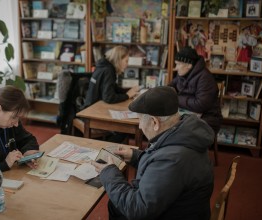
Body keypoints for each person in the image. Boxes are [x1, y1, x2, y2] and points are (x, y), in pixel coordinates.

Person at [91, 86, 214, 220]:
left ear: (155, 122)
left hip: (170, 213)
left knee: (117, 206)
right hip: (177, 207)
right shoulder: (183, 134)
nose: (140, 126)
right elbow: (160, 166)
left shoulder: (172, 159)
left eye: (140, 120)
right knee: (115, 206)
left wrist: (109, 173)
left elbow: (138, 209)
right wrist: (135, 156)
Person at [169, 46, 222, 134]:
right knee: (165, 125)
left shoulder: (205, 78)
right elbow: (171, 86)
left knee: (176, 132)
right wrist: (164, 92)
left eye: (178, 64)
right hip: (188, 115)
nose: (176, 68)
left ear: (189, 65)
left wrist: (175, 98)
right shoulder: (182, 73)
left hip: (208, 118)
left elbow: (200, 104)